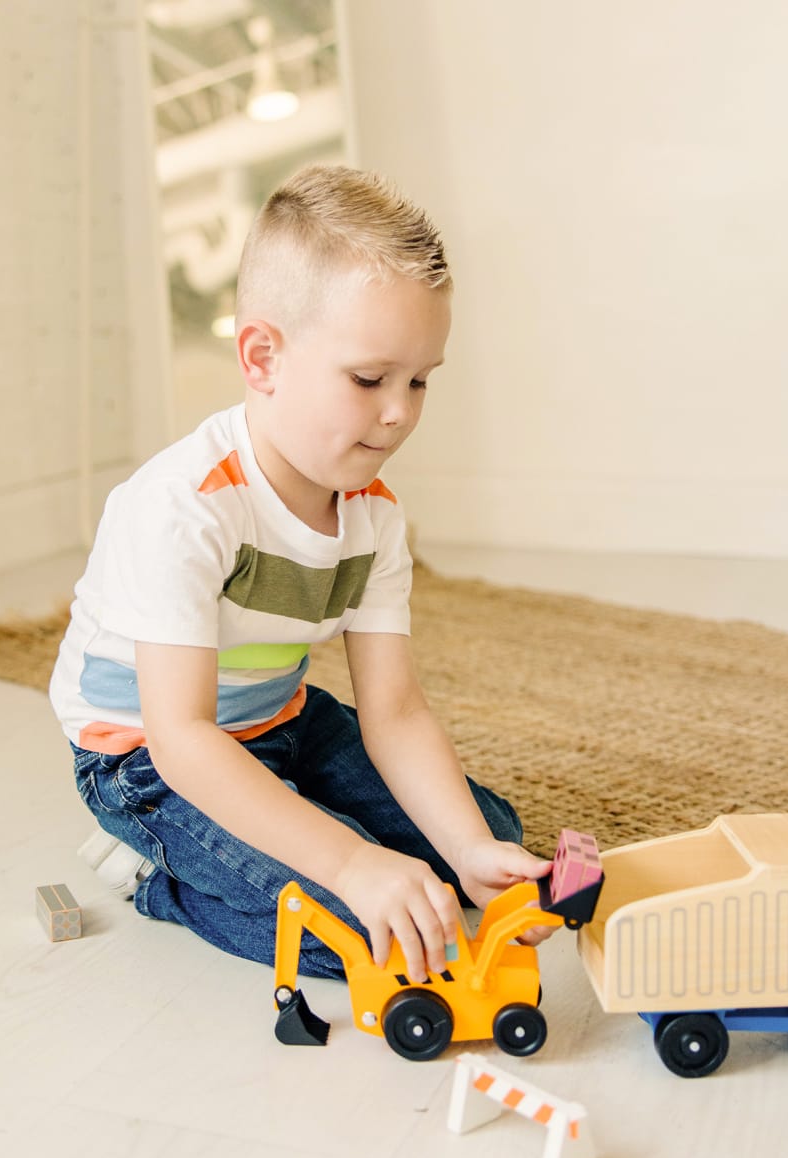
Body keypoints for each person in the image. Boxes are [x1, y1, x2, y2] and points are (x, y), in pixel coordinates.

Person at [50, 163, 552, 983]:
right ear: (262, 357)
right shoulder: (182, 509)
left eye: (419, 380)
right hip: (147, 758)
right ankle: (157, 879)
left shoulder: (375, 515)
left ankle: (328, 835)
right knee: (361, 929)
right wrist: (352, 864)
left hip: (279, 720)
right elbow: (183, 737)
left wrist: (466, 851)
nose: (400, 412)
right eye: (369, 379)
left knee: (489, 835)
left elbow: (393, 709)